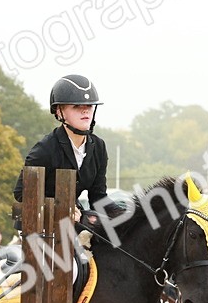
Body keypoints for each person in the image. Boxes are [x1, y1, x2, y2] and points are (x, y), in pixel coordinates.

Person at [12, 74, 124, 226]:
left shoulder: (99, 147)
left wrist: (129, 217)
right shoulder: (44, 149)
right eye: (77, 106)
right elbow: (21, 194)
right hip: (36, 227)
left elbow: (98, 198)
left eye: (89, 106)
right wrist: (61, 207)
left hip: (71, 222)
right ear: (59, 111)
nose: (85, 111)